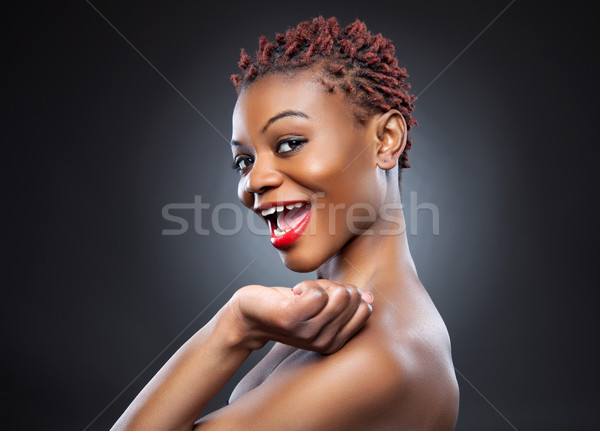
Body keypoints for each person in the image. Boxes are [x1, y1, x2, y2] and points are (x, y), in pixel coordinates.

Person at [113, 16, 459, 430]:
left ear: (385, 140)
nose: (253, 181)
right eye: (245, 160)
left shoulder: (382, 358)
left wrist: (234, 326)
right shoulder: (330, 321)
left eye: (290, 143)